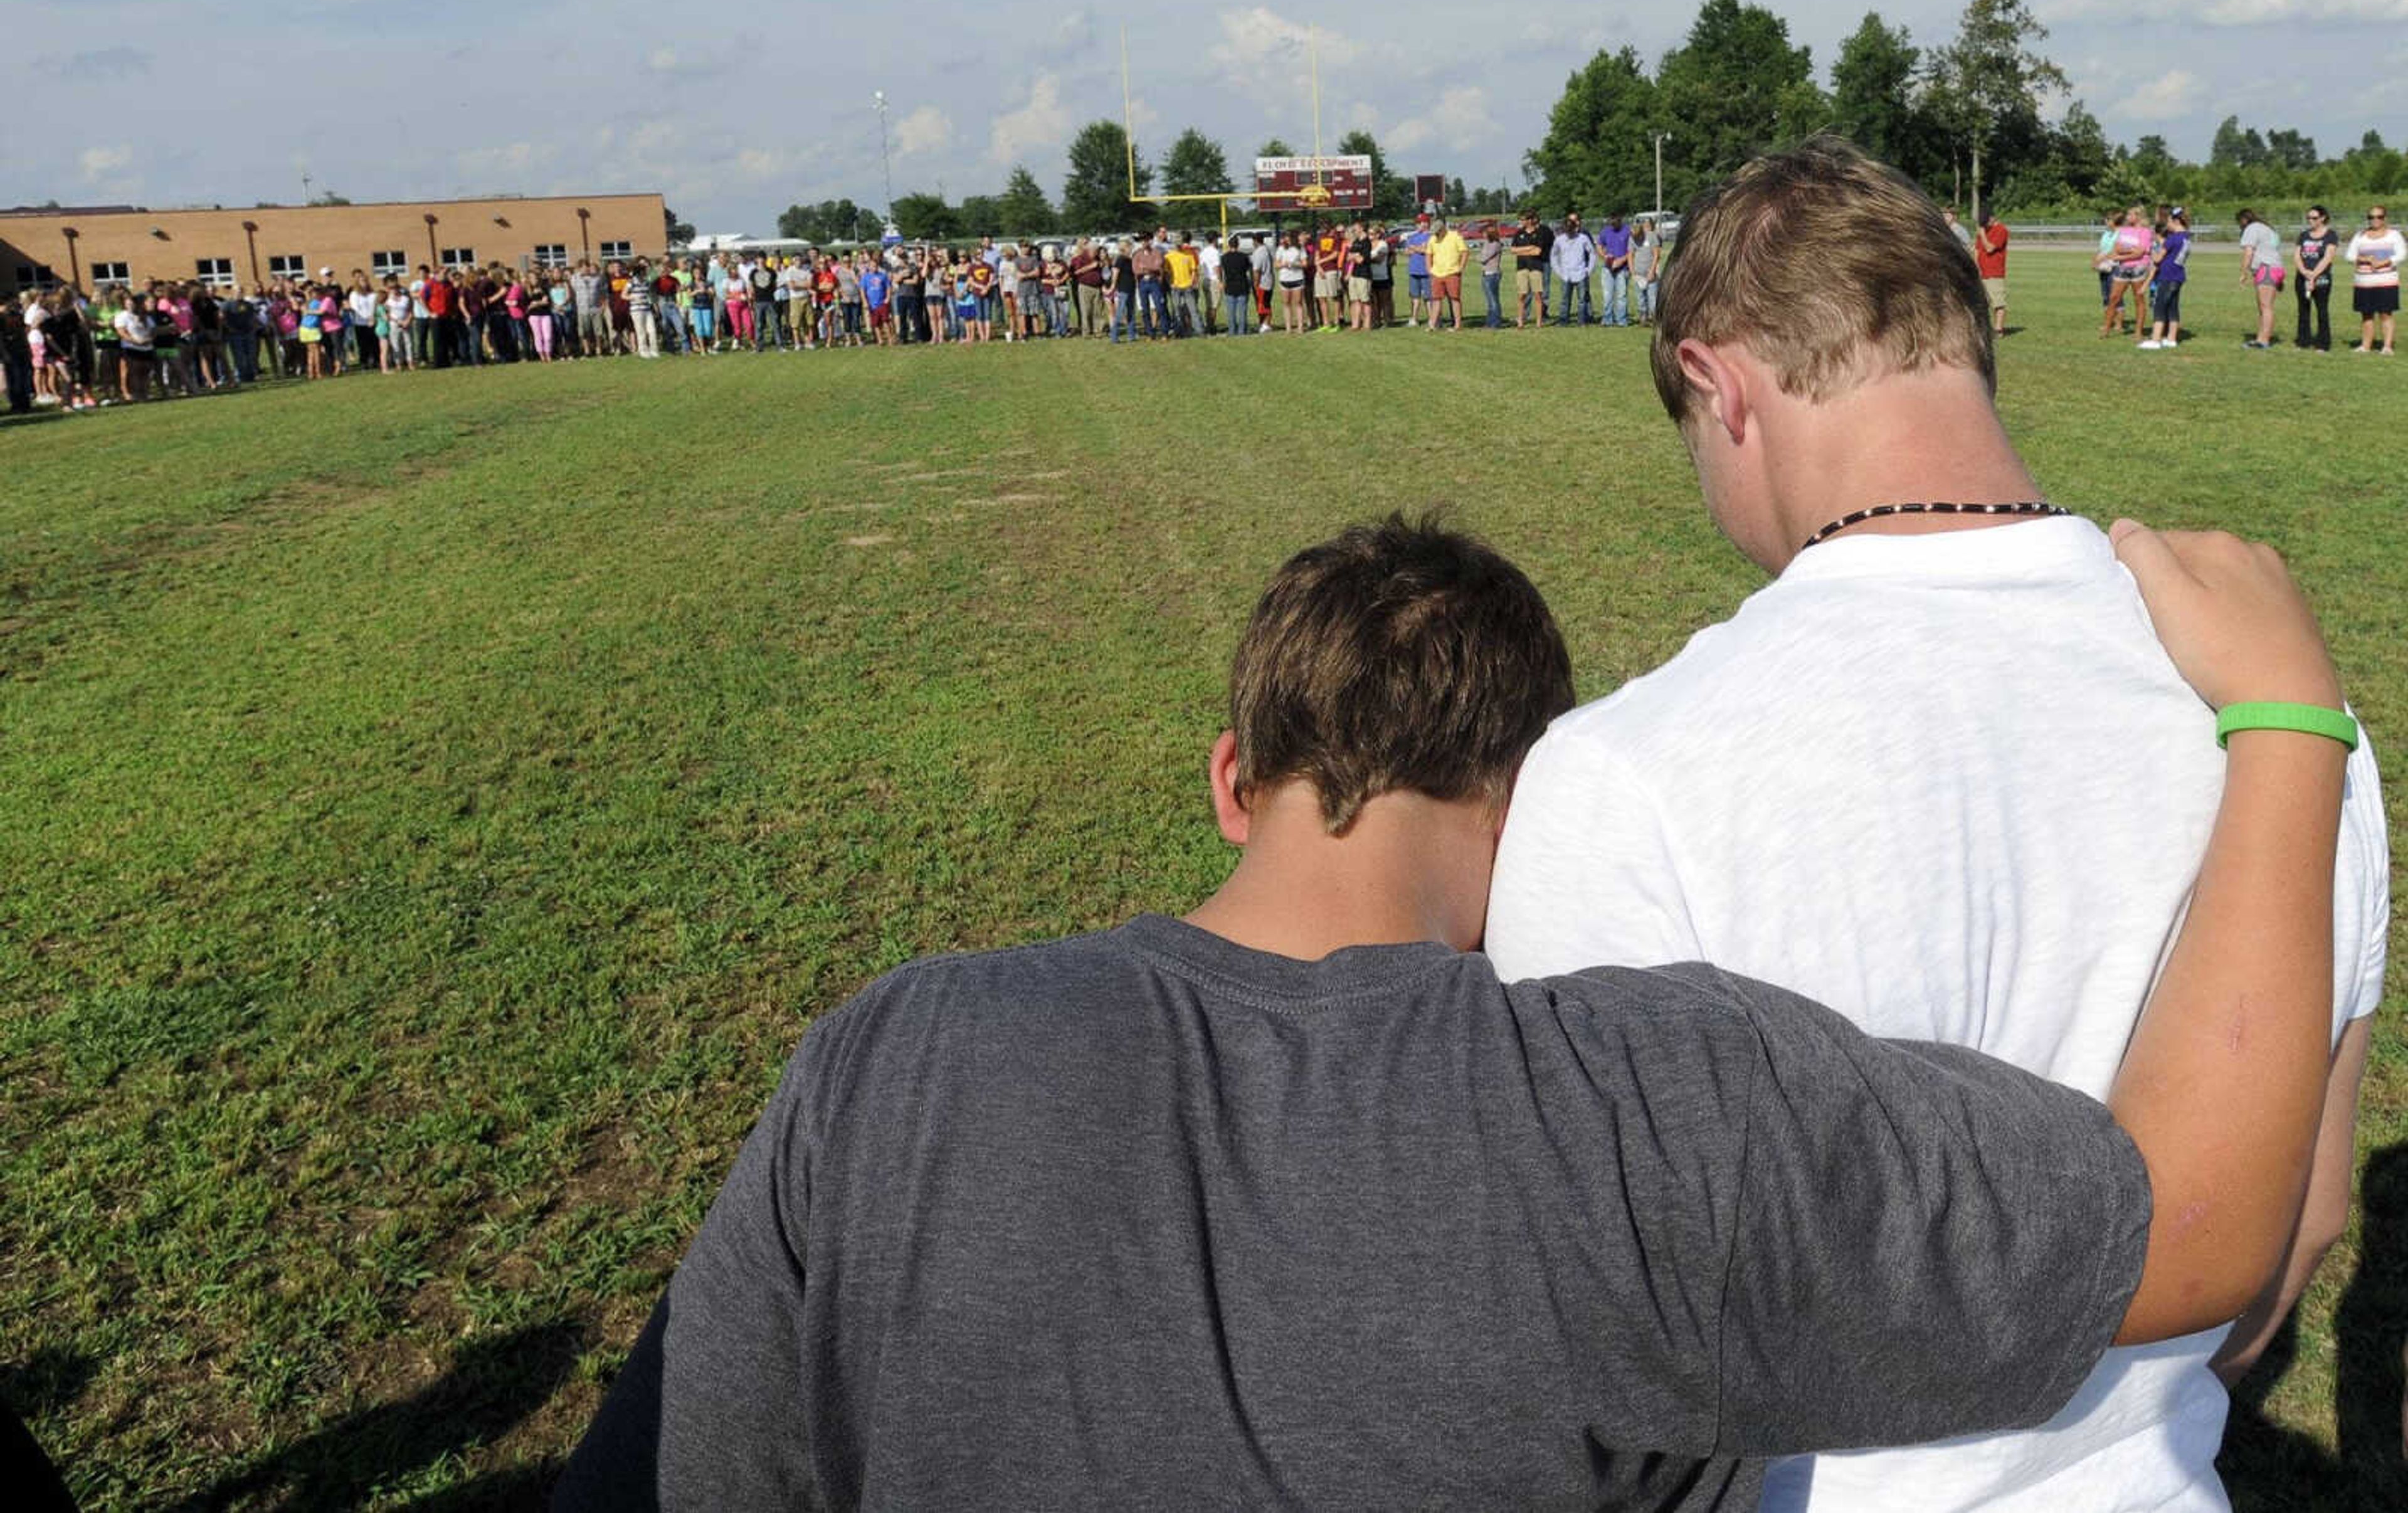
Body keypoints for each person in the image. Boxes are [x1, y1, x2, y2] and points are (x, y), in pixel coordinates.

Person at [559, 508, 2354, 1512]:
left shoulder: (891, 1056)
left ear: (1227, 777)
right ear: (1536, 785)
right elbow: (2197, 1231)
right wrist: (2282, 724)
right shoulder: (1647, 1105)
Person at [1486, 137, 2389, 1513]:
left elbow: (1604, 1356)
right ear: (1965, 336)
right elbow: (2296, 1228)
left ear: (1717, 387)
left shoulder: (1621, 774)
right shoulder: (2289, 714)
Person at [2347, 203, 2401, 355]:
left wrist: (2384, 262)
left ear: (2385, 218)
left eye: (2379, 217)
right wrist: (2364, 259)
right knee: (2366, 315)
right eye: (2371, 217)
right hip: (2363, 283)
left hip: (2386, 282)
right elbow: (2349, 256)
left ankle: (2387, 347)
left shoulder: (2394, 235)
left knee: (2385, 314)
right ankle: (2365, 346)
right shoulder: (2360, 236)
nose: (2375, 220)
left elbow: (2402, 254)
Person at [2101, 204, 2153, 340]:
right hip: (2123, 268)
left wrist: (2120, 257)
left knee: (2139, 299)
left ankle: (2138, 333)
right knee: (2114, 298)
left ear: (2138, 217)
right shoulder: (2124, 230)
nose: (2128, 217)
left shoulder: (2145, 232)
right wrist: (2130, 250)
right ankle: (2106, 328)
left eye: (2131, 215)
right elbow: (2118, 247)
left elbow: (2140, 252)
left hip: (2139, 267)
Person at [2141, 208, 2190, 351]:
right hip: (2178, 276)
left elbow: (2158, 258)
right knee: (2173, 309)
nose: (2167, 224)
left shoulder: (2172, 240)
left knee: (2160, 307)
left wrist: (2150, 250)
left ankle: (2156, 340)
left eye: (2169, 221)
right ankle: (2171, 339)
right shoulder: (2186, 237)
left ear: (2175, 221)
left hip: (2167, 277)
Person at [2237, 206, 2285, 349]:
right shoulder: (2269, 230)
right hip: (2276, 269)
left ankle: (2264, 341)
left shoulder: (2252, 229)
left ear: (2244, 220)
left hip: (2266, 269)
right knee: (2264, 307)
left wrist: (2244, 273)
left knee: (2265, 307)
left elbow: (2249, 251)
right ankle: (2261, 338)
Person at [2294, 205, 2340, 352]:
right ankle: (2303, 341)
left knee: (2322, 310)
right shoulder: (2304, 235)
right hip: (2302, 277)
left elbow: (2328, 257)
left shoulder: (2331, 235)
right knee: (2303, 310)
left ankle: (2323, 344)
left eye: (2314, 218)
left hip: (2322, 279)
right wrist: (2304, 272)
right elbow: (2297, 256)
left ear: (2323, 218)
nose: (2310, 221)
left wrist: (2314, 275)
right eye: (2308, 218)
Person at [1424, 214, 1466, 332]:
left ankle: (1458, 325)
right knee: (1436, 299)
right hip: (1437, 274)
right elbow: (1428, 254)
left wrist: (1461, 267)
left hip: (1452, 273)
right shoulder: (1432, 239)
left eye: (1438, 232)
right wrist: (1429, 269)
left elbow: (1464, 252)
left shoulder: (1455, 236)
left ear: (1443, 229)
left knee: (1455, 298)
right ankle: (1432, 325)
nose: (1436, 234)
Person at [1551, 211, 1594, 325]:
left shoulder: (1583, 238)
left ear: (1576, 228)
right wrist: (1559, 272)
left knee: (1582, 301)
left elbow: (1592, 254)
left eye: (1571, 229)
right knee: (1565, 301)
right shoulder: (1559, 240)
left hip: (1581, 274)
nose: (1569, 232)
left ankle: (1582, 321)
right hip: (1566, 275)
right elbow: (1554, 257)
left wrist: (1588, 270)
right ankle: (1564, 321)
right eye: (1567, 229)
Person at [1513, 210, 1552, 327]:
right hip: (1522, 267)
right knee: (1522, 295)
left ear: (1530, 221)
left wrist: (1522, 250)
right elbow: (1513, 250)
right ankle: (1521, 321)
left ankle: (1539, 322)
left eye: (1523, 220)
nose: (1521, 222)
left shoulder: (1539, 233)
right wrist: (1529, 247)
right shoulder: (1518, 233)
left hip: (1536, 267)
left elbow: (1538, 251)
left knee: (1538, 295)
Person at [1975, 208, 2009, 335]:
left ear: (1992, 218)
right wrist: (1976, 267)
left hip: (1995, 273)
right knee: (1982, 303)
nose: (1984, 225)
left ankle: (1998, 330)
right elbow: (1977, 250)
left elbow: (1989, 248)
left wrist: (1982, 234)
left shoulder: (2001, 230)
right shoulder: (1984, 229)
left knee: (1998, 303)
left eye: (1986, 222)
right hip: (1982, 273)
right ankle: (1984, 329)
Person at [1596, 213, 1632, 326]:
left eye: (1616, 224)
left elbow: (1632, 250)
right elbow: (1599, 246)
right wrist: (1604, 256)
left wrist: (1622, 260)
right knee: (1608, 295)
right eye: (1612, 224)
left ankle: (1622, 320)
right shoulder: (1605, 231)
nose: (1614, 227)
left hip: (1623, 268)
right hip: (1608, 268)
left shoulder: (1628, 231)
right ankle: (1607, 319)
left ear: (1620, 221)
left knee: (1622, 296)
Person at [1274, 230, 1307, 335]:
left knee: (1298, 303)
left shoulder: (1300, 248)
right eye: (1285, 237)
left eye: (1288, 237)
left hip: (1297, 279)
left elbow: (1305, 264)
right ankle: (1288, 328)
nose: (1286, 239)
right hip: (1284, 280)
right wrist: (1284, 265)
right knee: (1286, 304)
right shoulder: (1280, 249)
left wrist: (1295, 264)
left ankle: (1300, 327)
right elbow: (1276, 265)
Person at [1218, 238, 1254, 335]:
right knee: (1242, 311)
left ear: (1229, 245)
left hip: (1230, 285)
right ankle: (1242, 331)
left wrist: (1221, 281)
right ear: (1238, 245)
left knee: (1231, 311)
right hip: (1243, 284)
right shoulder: (1244, 257)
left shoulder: (1224, 257)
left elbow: (1221, 271)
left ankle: (1232, 331)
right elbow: (1248, 269)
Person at [1628, 220, 1661, 325]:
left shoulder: (1651, 236)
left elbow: (1656, 255)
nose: (1636, 239)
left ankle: (1655, 318)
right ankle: (1643, 318)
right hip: (1638, 273)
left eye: (1637, 236)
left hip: (1650, 273)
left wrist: (1652, 271)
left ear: (1642, 231)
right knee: (1640, 297)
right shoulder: (1632, 238)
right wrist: (1632, 272)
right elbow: (1630, 255)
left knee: (1653, 298)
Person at [1403, 212, 1432, 325]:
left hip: (1426, 271)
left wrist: (1416, 248)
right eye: (1419, 223)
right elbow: (1407, 251)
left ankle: (1432, 318)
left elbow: (1426, 251)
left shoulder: (1431, 237)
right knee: (1415, 297)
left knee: (1429, 297)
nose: (1422, 225)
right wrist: (1418, 249)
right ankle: (1414, 319)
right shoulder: (1413, 237)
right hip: (1414, 270)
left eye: (1424, 222)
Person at [1478, 221, 1506, 329]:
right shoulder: (1486, 243)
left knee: (1493, 300)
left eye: (1484, 233)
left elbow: (1483, 258)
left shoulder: (1495, 244)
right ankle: (1490, 322)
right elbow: (1481, 256)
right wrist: (1480, 256)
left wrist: (1480, 257)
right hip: (1486, 274)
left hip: (1493, 274)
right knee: (1490, 300)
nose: (1483, 235)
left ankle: (1496, 322)